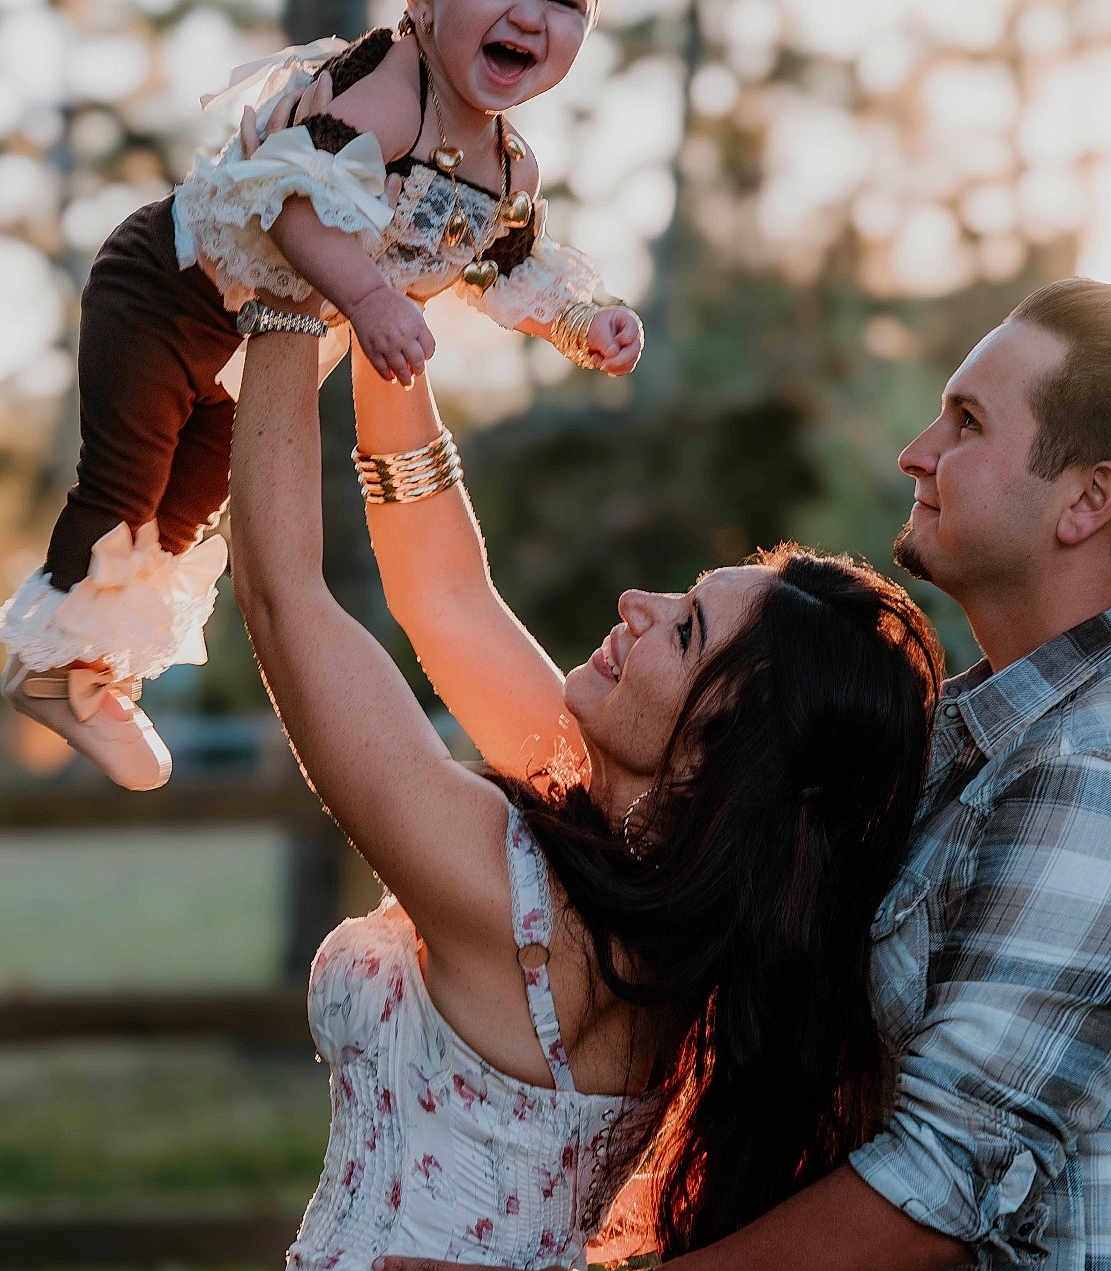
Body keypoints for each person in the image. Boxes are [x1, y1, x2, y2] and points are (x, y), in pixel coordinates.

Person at [372, 280, 1111, 1271]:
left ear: (1088, 499)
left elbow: (939, 1185)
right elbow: (464, 622)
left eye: (967, 422)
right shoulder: (999, 733)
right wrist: (382, 319)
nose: (915, 451)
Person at [225, 247, 943, 1271]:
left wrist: (290, 277)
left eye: (686, 631)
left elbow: (281, 599)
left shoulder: (517, 904)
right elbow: (446, 597)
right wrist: (391, 312)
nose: (635, 605)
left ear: (712, 764)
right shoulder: (636, 906)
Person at [0, 0, 641, 791]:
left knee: (183, 519)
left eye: (566, 2)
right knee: (125, 485)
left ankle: (98, 670)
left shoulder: (509, 168)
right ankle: (51, 669)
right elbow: (293, 206)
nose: (531, 15)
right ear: (425, 6)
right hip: (164, 294)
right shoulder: (388, 96)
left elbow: (502, 271)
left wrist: (585, 323)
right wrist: (372, 301)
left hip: (253, 352)